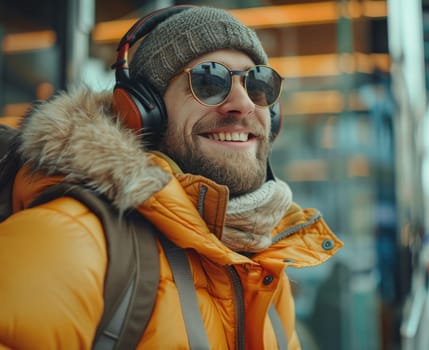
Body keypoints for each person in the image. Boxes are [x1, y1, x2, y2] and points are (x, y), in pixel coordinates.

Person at [0, 5, 342, 349]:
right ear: (143, 112)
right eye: (209, 81)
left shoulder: (263, 269)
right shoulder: (68, 241)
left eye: (258, 85)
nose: (243, 103)